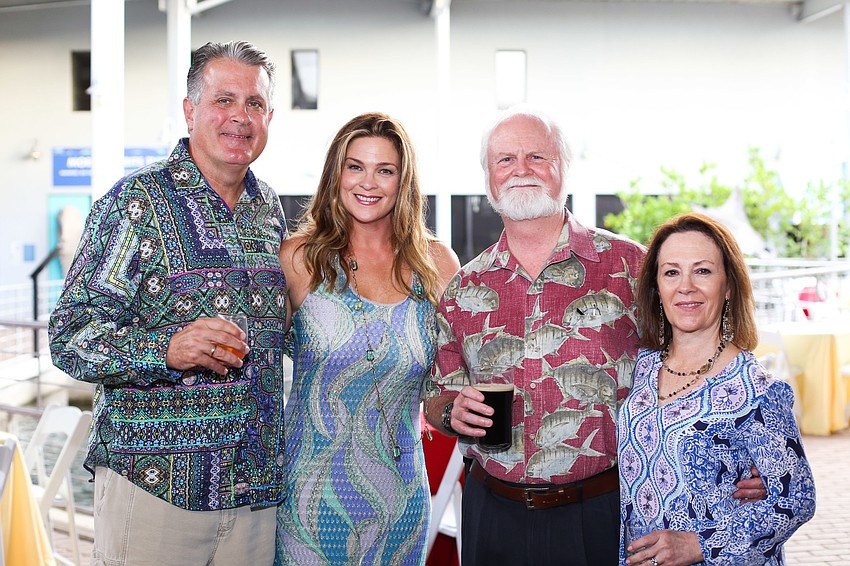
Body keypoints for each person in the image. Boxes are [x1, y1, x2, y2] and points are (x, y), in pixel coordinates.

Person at [423, 106, 766, 566]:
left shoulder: (632, 267)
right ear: (488, 178)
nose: (521, 170)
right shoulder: (463, 289)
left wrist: (750, 446)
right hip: (493, 511)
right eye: (505, 159)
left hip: (604, 511)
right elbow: (437, 399)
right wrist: (454, 413)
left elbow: (706, 351)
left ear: (564, 168)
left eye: (537, 156)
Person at [48, 41, 287, 566]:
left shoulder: (269, 209)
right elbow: (70, 337)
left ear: (270, 117)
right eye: (224, 100)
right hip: (157, 491)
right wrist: (167, 349)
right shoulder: (133, 203)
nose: (240, 118)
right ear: (190, 110)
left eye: (254, 104)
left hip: (256, 494)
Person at [274, 112, 460, 565]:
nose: (368, 182)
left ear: (404, 181)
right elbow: (253, 365)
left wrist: (458, 412)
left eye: (385, 170)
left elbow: (445, 392)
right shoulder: (300, 258)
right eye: (355, 166)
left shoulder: (436, 265)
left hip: (401, 498)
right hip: (308, 499)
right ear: (336, 173)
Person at [619, 212, 816, 566]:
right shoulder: (642, 368)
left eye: (703, 271)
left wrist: (700, 545)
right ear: (657, 287)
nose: (686, 287)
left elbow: (795, 499)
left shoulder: (756, 390)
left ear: (728, 287)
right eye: (672, 272)